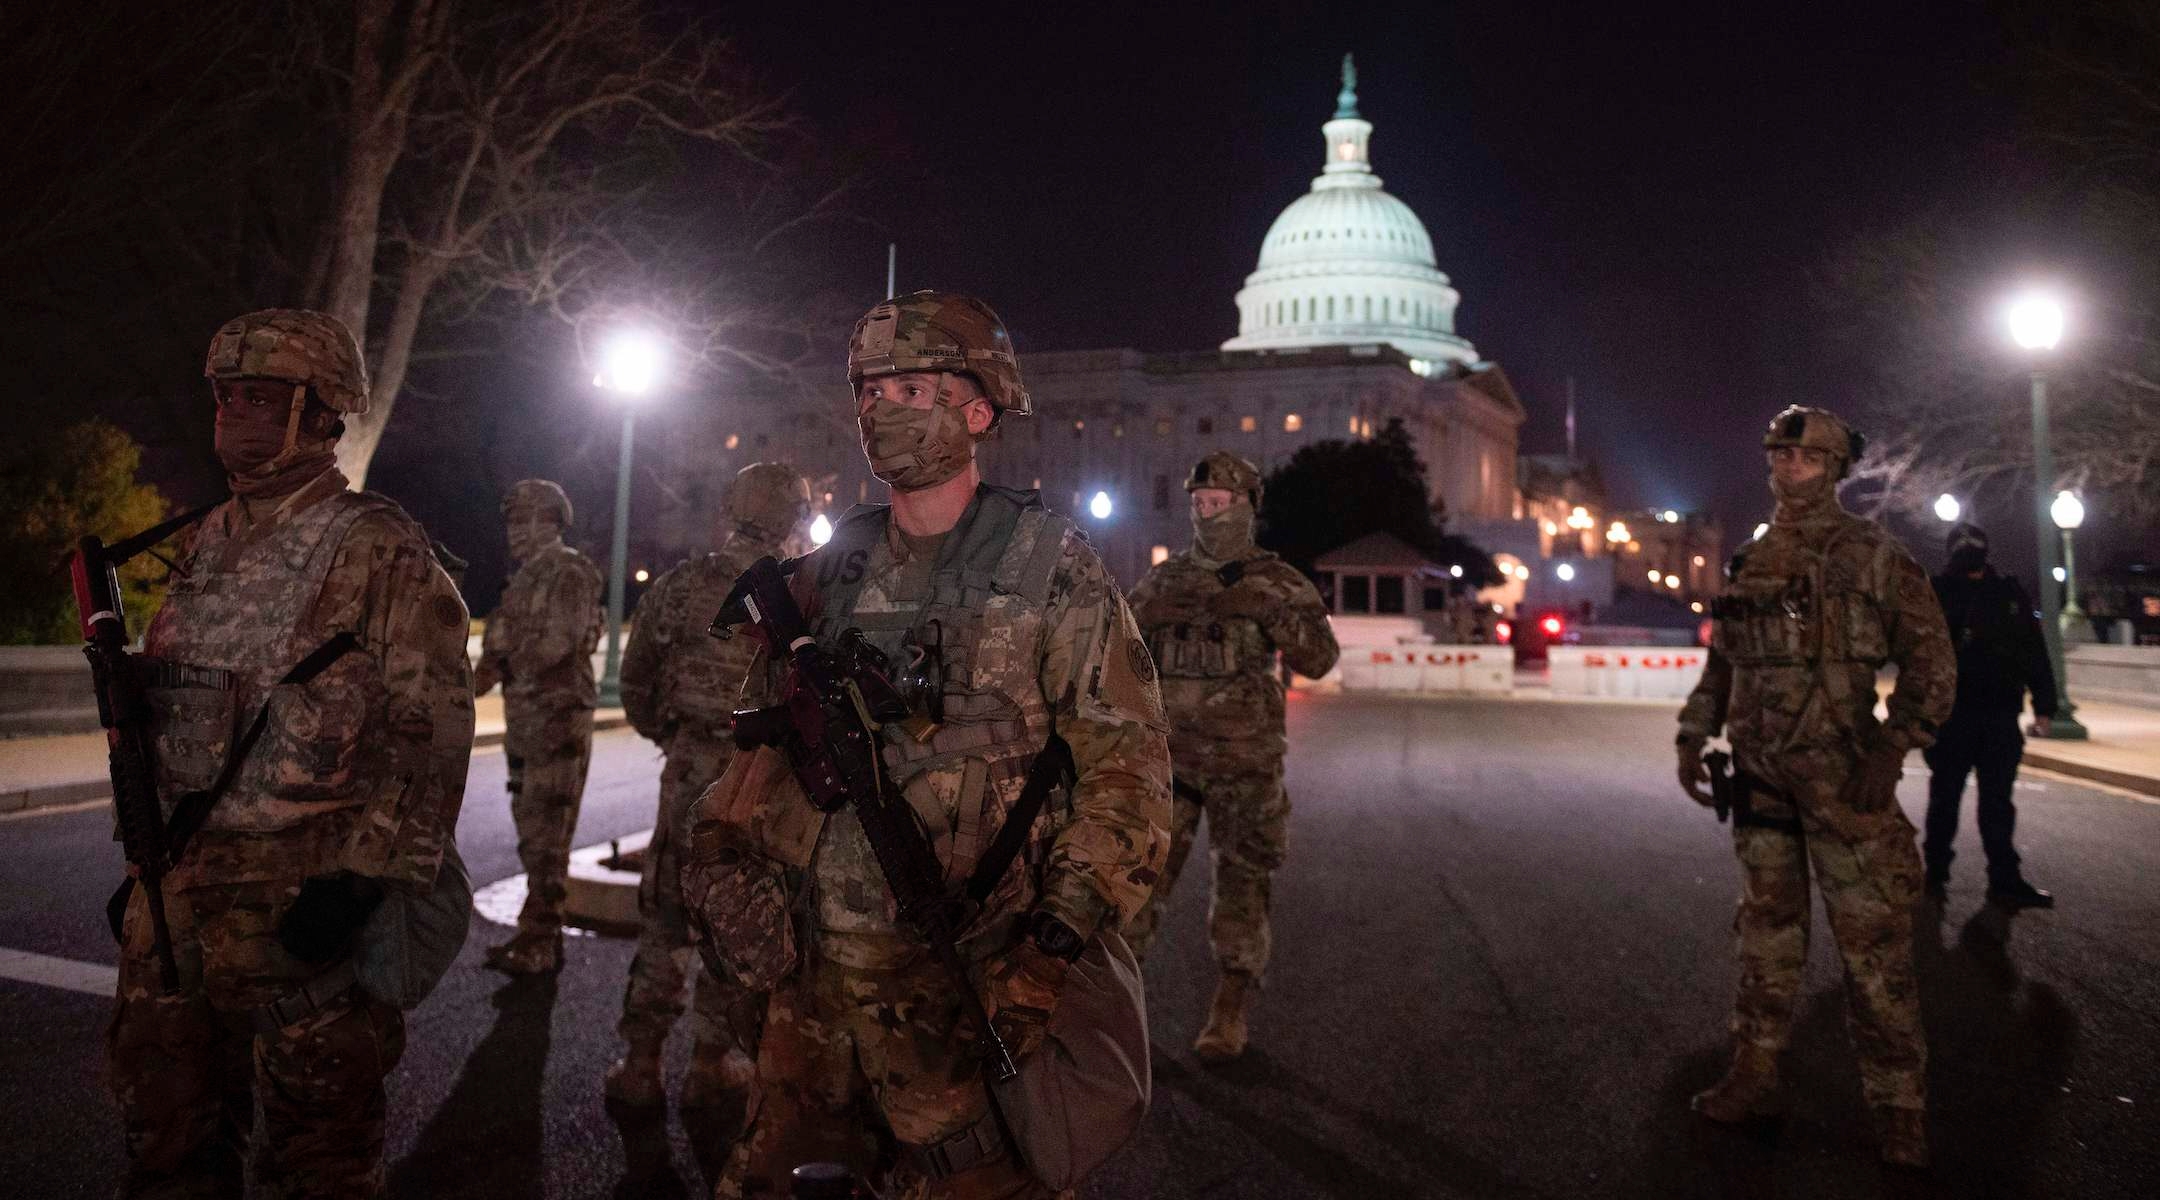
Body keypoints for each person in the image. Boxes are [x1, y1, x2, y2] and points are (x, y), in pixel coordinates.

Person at [685, 290, 1171, 1197]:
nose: (879, 410)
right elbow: (755, 756)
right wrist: (718, 853)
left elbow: (1127, 776)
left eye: (909, 389)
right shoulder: (825, 576)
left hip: (969, 991)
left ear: (977, 408)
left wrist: (1051, 950)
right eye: (869, 392)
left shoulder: (1050, 567)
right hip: (813, 1001)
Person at [110, 308, 474, 1197]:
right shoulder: (203, 541)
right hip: (179, 903)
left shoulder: (375, 544)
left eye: (263, 398)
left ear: (322, 412)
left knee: (318, 1163)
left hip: (303, 914)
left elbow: (433, 728)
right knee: (168, 1148)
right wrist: (148, 856)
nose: (236, 415)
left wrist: (365, 879)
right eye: (228, 397)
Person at [1676, 405, 1955, 1169]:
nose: (1785, 470)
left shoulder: (1870, 554)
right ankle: (1755, 1073)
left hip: (1843, 782)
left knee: (1873, 952)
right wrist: (1694, 733)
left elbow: (1932, 660)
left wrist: (1895, 747)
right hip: (1761, 779)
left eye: (1801, 460)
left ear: (1833, 468)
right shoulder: (1751, 559)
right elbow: (1723, 662)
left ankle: (1900, 1107)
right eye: (1777, 457)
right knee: (1767, 940)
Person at [605, 461, 812, 1108]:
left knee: (665, 918)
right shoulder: (802, 596)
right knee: (736, 917)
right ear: (796, 519)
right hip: (760, 781)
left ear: (729, 506)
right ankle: (710, 1062)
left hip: (689, 768)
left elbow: (636, 680)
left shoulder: (683, 584)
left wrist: (671, 735)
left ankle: (640, 1064)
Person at [1124, 450, 1339, 1062]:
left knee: (1243, 886)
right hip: (1170, 766)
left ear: (1248, 507)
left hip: (1245, 766)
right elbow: (1117, 661)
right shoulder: (1162, 582)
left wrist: (1272, 609)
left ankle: (1230, 1006)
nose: (1207, 512)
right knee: (1133, 889)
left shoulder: (1279, 581)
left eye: (1220, 503)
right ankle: (1114, 1015)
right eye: (1200, 503)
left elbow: (1319, 661)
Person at [474, 478, 603, 974]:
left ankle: (541, 942)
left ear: (548, 521)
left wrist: (502, 658)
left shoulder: (568, 572)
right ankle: (536, 933)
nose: (513, 533)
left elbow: (557, 645)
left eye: (521, 520)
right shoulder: (524, 579)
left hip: (556, 722)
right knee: (532, 833)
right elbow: (498, 657)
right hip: (527, 722)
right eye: (510, 522)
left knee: (547, 836)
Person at [1925, 522, 2057, 909]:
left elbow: (2034, 652)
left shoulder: (2008, 594)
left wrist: (2045, 706)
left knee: (1997, 802)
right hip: (1954, 715)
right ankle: (1934, 870)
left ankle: (2004, 876)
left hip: (2000, 715)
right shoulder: (1937, 593)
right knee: (1945, 798)